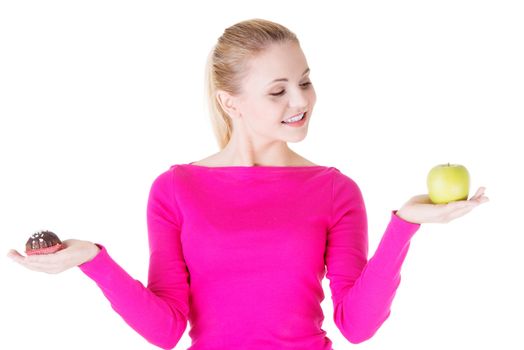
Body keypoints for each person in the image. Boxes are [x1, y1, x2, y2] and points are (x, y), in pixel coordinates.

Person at [7, 18, 489, 350]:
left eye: (305, 81)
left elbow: (357, 326)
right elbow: (166, 329)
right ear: (230, 101)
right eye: (277, 90)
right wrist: (94, 260)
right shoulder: (176, 189)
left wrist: (405, 224)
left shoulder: (335, 190)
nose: (300, 100)